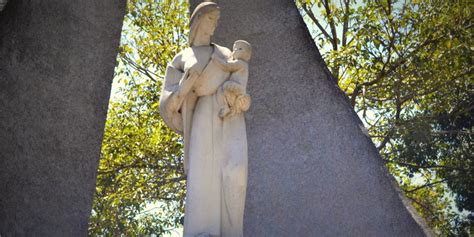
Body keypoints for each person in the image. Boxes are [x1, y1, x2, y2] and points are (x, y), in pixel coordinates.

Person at [159, 2, 249, 237]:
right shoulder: (182, 58)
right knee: (203, 175)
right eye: (211, 19)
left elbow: (239, 81)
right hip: (201, 116)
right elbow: (169, 106)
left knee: (235, 173)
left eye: (217, 21)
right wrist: (184, 87)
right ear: (198, 20)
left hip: (229, 119)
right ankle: (203, 231)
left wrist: (238, 98)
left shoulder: (225, 54)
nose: (214, 25)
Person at [212, 40, 252, 118]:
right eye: (234, 49)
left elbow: (227, 66)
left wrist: (215, 59)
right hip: (236, 88)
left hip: (239, 88)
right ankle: (230, 108)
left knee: (226, 85)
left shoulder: (241, 64)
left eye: (240, 49)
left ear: (247, 55)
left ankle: (228, 107)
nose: (236, 51)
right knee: (224, 90)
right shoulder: (241, 64)